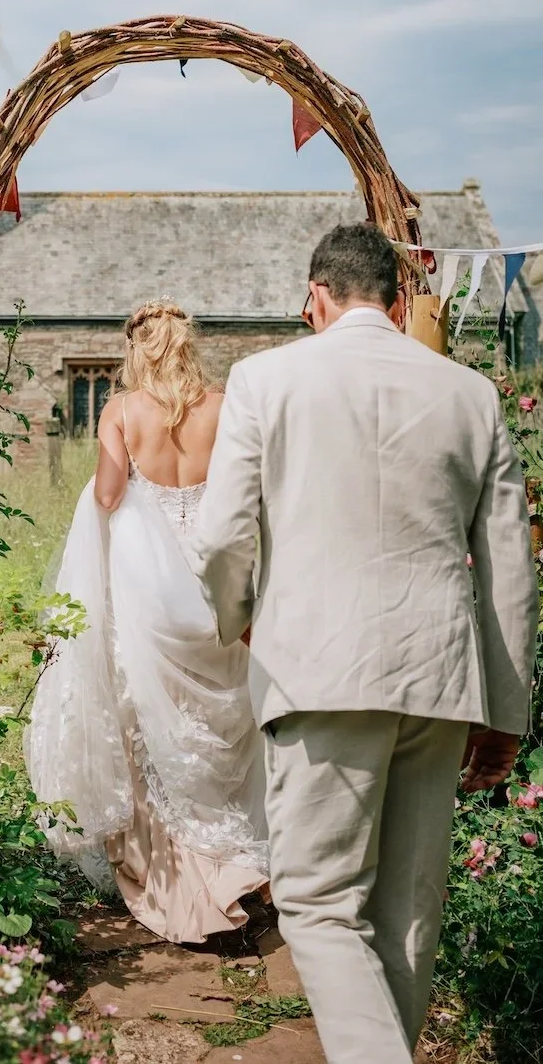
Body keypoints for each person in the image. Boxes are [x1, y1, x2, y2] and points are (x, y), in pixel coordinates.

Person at [193, 223, 539, 1063]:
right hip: (442, 678)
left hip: (319, 670)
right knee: (408, 910)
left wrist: (239, 614)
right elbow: (509, 569)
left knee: (315, 901)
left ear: (316, 296)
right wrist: (507, 712)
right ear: (395, 298)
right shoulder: (471, 395)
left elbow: (220, 538)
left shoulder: (263, 379)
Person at [26, 301, 269, 943]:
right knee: (224, 718)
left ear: (138, 350)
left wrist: (120, 472)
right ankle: (239, 863)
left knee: (149, 722)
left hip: (152, 592)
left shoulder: (123, 411)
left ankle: (177, 880)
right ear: (189, 346)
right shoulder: (223, 406)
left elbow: (108, 496)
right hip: (218, 586)